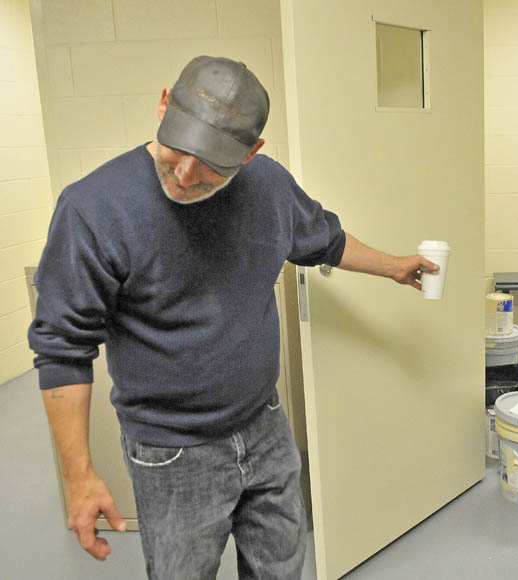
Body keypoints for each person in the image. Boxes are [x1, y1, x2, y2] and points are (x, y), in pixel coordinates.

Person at [28, 55, 438, 580]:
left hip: (264, 424)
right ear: (162, 105)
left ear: (252, 153)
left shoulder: (267, 185)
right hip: (171, 449)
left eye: (213, 164)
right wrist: (79, 474)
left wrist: (394, 266)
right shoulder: (93, 208)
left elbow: (324, 240)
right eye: (178, 150)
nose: (185, 175)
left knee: (282, 570)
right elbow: (63, 349)